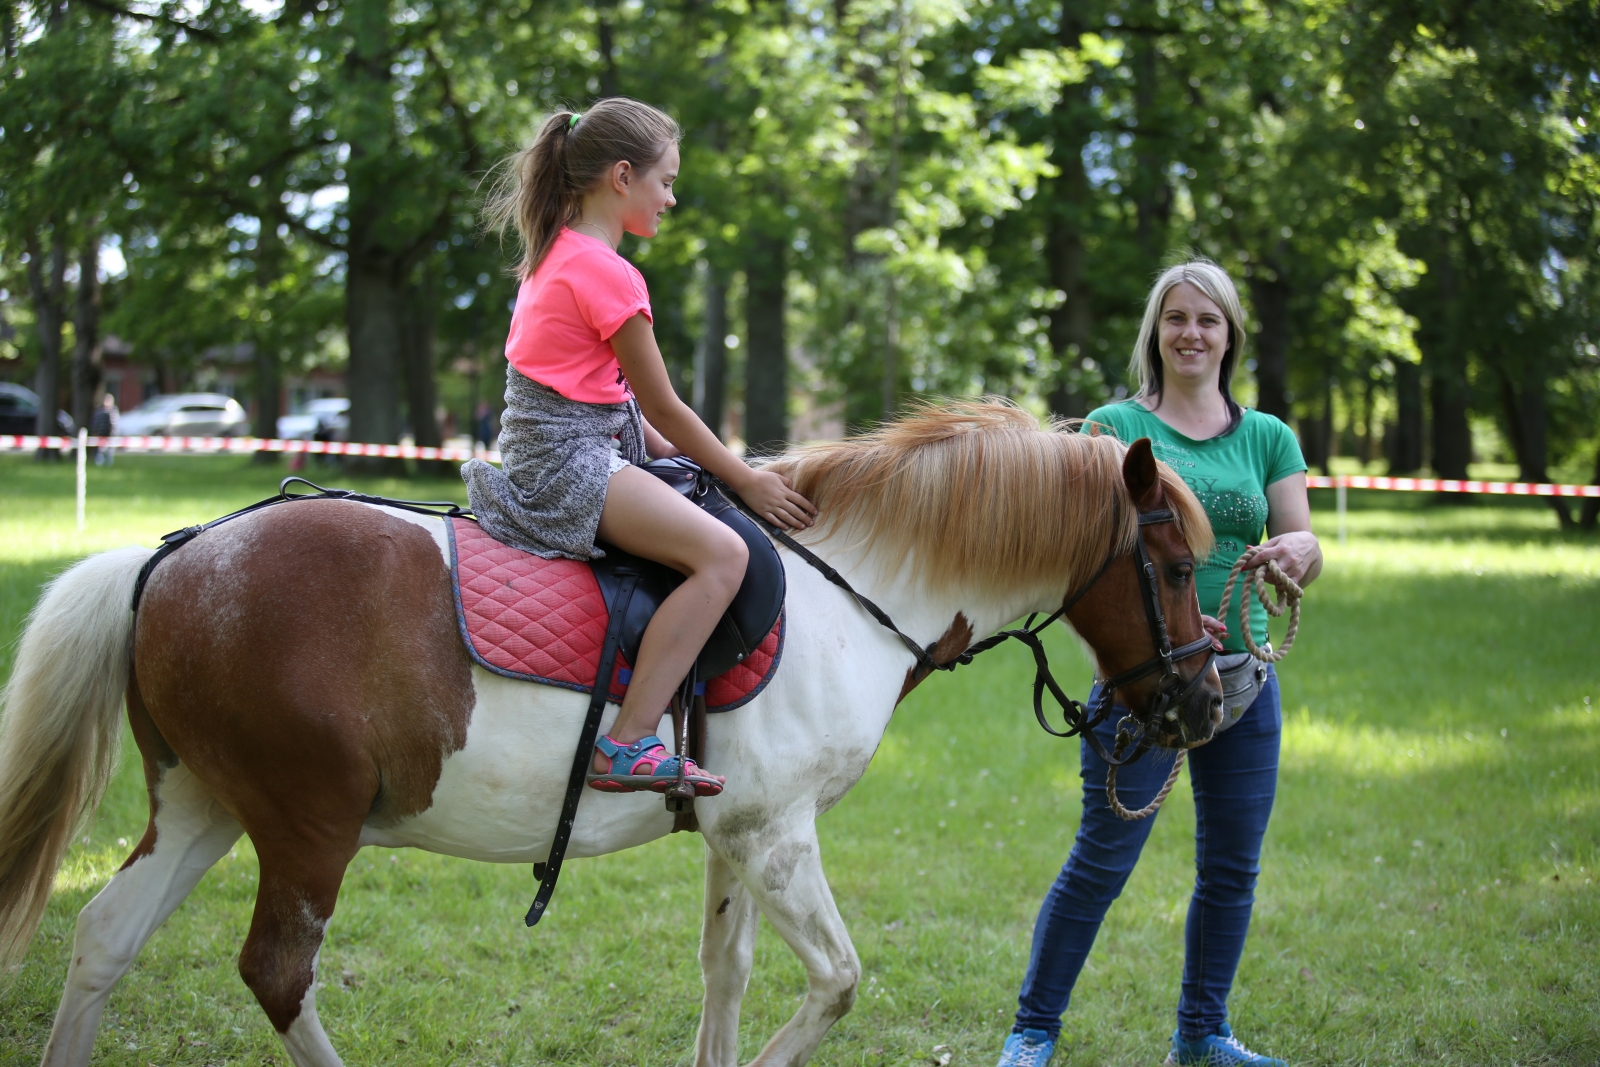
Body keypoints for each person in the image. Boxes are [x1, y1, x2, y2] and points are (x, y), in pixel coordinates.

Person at [996, 258, 1322, 1067]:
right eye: (1176, 317)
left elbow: (1306, 541)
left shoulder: (1268, 436)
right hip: (1141, 686)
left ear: (1230, 335)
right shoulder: (1112, 429)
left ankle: (1202, 1036)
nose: (1192, 333)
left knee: (1231, 869)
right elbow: (1079, 571)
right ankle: (1032, 1032)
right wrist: (1126, 654)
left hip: (1242, 682)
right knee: (1101, 861)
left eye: (1208, 320)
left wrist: (1299, 551)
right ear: (1155, 332)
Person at [464, 98, 816, 797]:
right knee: (724, 554)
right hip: (572, 464)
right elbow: (662, 405)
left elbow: (614, 400)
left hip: (565, 446)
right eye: (665, 182)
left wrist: (686, 461)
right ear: (622, 177)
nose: (672, 198)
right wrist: (745, 480)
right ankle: (626, 743)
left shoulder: (557, 252)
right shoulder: (606, 272)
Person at [90, 392, 119, 466]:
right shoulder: (99, 412)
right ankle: (99, 464)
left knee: (109, 451)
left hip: (110, 435)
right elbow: (96, 423)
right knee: (100, 451)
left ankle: (109, 464)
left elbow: (115, 426)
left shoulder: (113, 412)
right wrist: (95, 432)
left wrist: (114, 434)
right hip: (101, 434)